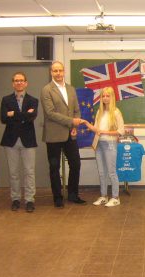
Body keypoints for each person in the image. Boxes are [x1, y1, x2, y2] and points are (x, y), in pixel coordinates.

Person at [40, 61, 94, 208]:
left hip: (71, 134)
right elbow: (50, 113)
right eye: (55, 71)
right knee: (54, 166)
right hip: (53, 135)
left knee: (76, 164)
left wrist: (74, 125)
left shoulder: (70, 89)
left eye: (60, 71)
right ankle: (57, 197)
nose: (58, 73)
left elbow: (76, 109)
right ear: (51, 72)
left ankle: (72, 194)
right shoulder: (46, 90)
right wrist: (72, 121)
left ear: (64, 72)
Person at [0, 72, 38, 213]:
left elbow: (31, 117)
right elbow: (3, 118)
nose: (19, 83)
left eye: (21, 80)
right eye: (16, 80)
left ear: (26, 83)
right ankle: (15, 199)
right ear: (13, 83)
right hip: (11, 141)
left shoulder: (33, 100)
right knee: (13, 173)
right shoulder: (6, 100)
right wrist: (23, 114)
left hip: (28, 140)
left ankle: (29, 200)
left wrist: (13, 114)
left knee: (29, 172)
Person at [91, 87, 125, 207]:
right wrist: (86, 124)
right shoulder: (99, 112)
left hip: (110, 144)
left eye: (107, 96)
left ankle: (115, 197)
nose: (105, 98)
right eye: (103, 96)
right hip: (99, 144)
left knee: (111, 172)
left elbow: (121, 131)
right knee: (101, 172)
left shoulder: (116, 112)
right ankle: (104, 196)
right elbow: (96, 129)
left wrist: (104, 132)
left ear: (112, 97)